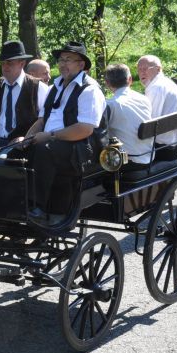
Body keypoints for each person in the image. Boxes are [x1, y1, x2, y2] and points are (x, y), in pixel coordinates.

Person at [23, 41, 106, 224]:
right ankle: (17, 203)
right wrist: (27, 138)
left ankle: (38, 206)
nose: (62, 64)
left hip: (84, 148)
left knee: (44, 149)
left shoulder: (89, 90)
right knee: (19, 150)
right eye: (61, 59)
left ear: (81, 64)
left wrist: (50, 136)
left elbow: (85, 129)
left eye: (68, 59)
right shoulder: (56, 87)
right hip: (55, 142)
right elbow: (42, 120)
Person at [136, 54, 177, 161]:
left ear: (158, 69)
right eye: (139, 69)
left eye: (145, 68)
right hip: (173, 141)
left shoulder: (156, 88)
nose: (142, 72)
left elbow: (150, 120)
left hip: (164, 148)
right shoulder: (165, 83)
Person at [103, 63, 153, 169]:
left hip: (128, 161)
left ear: (107, 83)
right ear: (130, 79)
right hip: (149, 155)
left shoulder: (110, 105)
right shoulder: (143, 98)